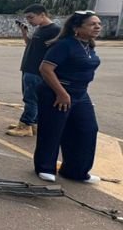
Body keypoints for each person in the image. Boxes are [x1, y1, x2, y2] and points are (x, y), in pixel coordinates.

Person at [33, 11, 103, 183]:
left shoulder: (89, 46)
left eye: (99, 24)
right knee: (53, 130)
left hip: (80, 94)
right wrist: (62, 93)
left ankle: (76, 170)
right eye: (92, 24)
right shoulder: (64, 45)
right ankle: (45, 167)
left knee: (87, 129)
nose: (97, 27)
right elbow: (45, 69)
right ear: (76, 28)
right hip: (56, 92)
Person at [6, 4, 59, 137]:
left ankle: (25, 125)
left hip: (37, 71)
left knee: (31, 99)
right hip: (28, 68)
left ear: (42, 15)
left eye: (31, 17)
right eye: (27, 18)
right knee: (30, 98)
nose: (29, 20)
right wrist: (24, 33)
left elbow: (59, 51)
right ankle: (33, 124)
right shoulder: (40, 28)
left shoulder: (55, 30)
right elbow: (31, 45)